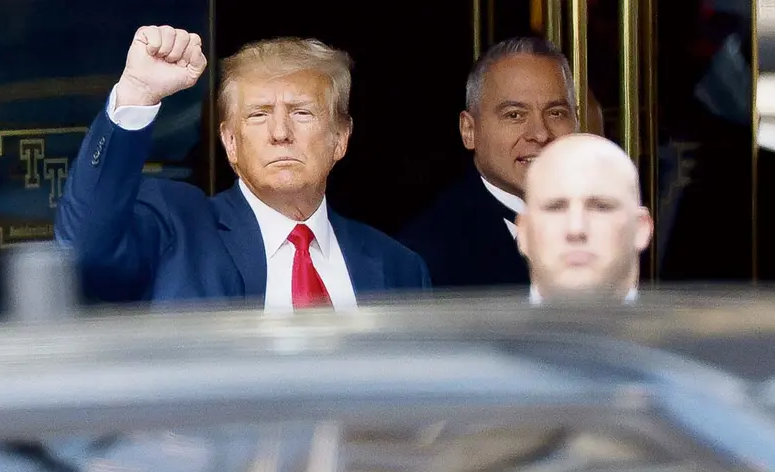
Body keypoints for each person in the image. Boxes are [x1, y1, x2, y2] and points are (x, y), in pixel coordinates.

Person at [56, 26, 430, 311]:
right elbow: (82, 252)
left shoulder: (399, 267)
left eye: (301, 113)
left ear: (340, 138)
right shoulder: (179, 229)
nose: (280, 133)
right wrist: (137, 92)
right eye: (258, 115)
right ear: (230, 142)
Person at [397, 37, 578, 289]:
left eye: (556, 113)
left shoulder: (609, 228)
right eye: (515, 115)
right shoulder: (426, 253)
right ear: (469, 130)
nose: (540, 133)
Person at [516, 133, 653, 304]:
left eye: (601, 207)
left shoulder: (688, 330)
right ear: (522, 232)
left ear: (641, 229)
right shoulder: (478, 330)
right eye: (555, 208)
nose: (576, 228)